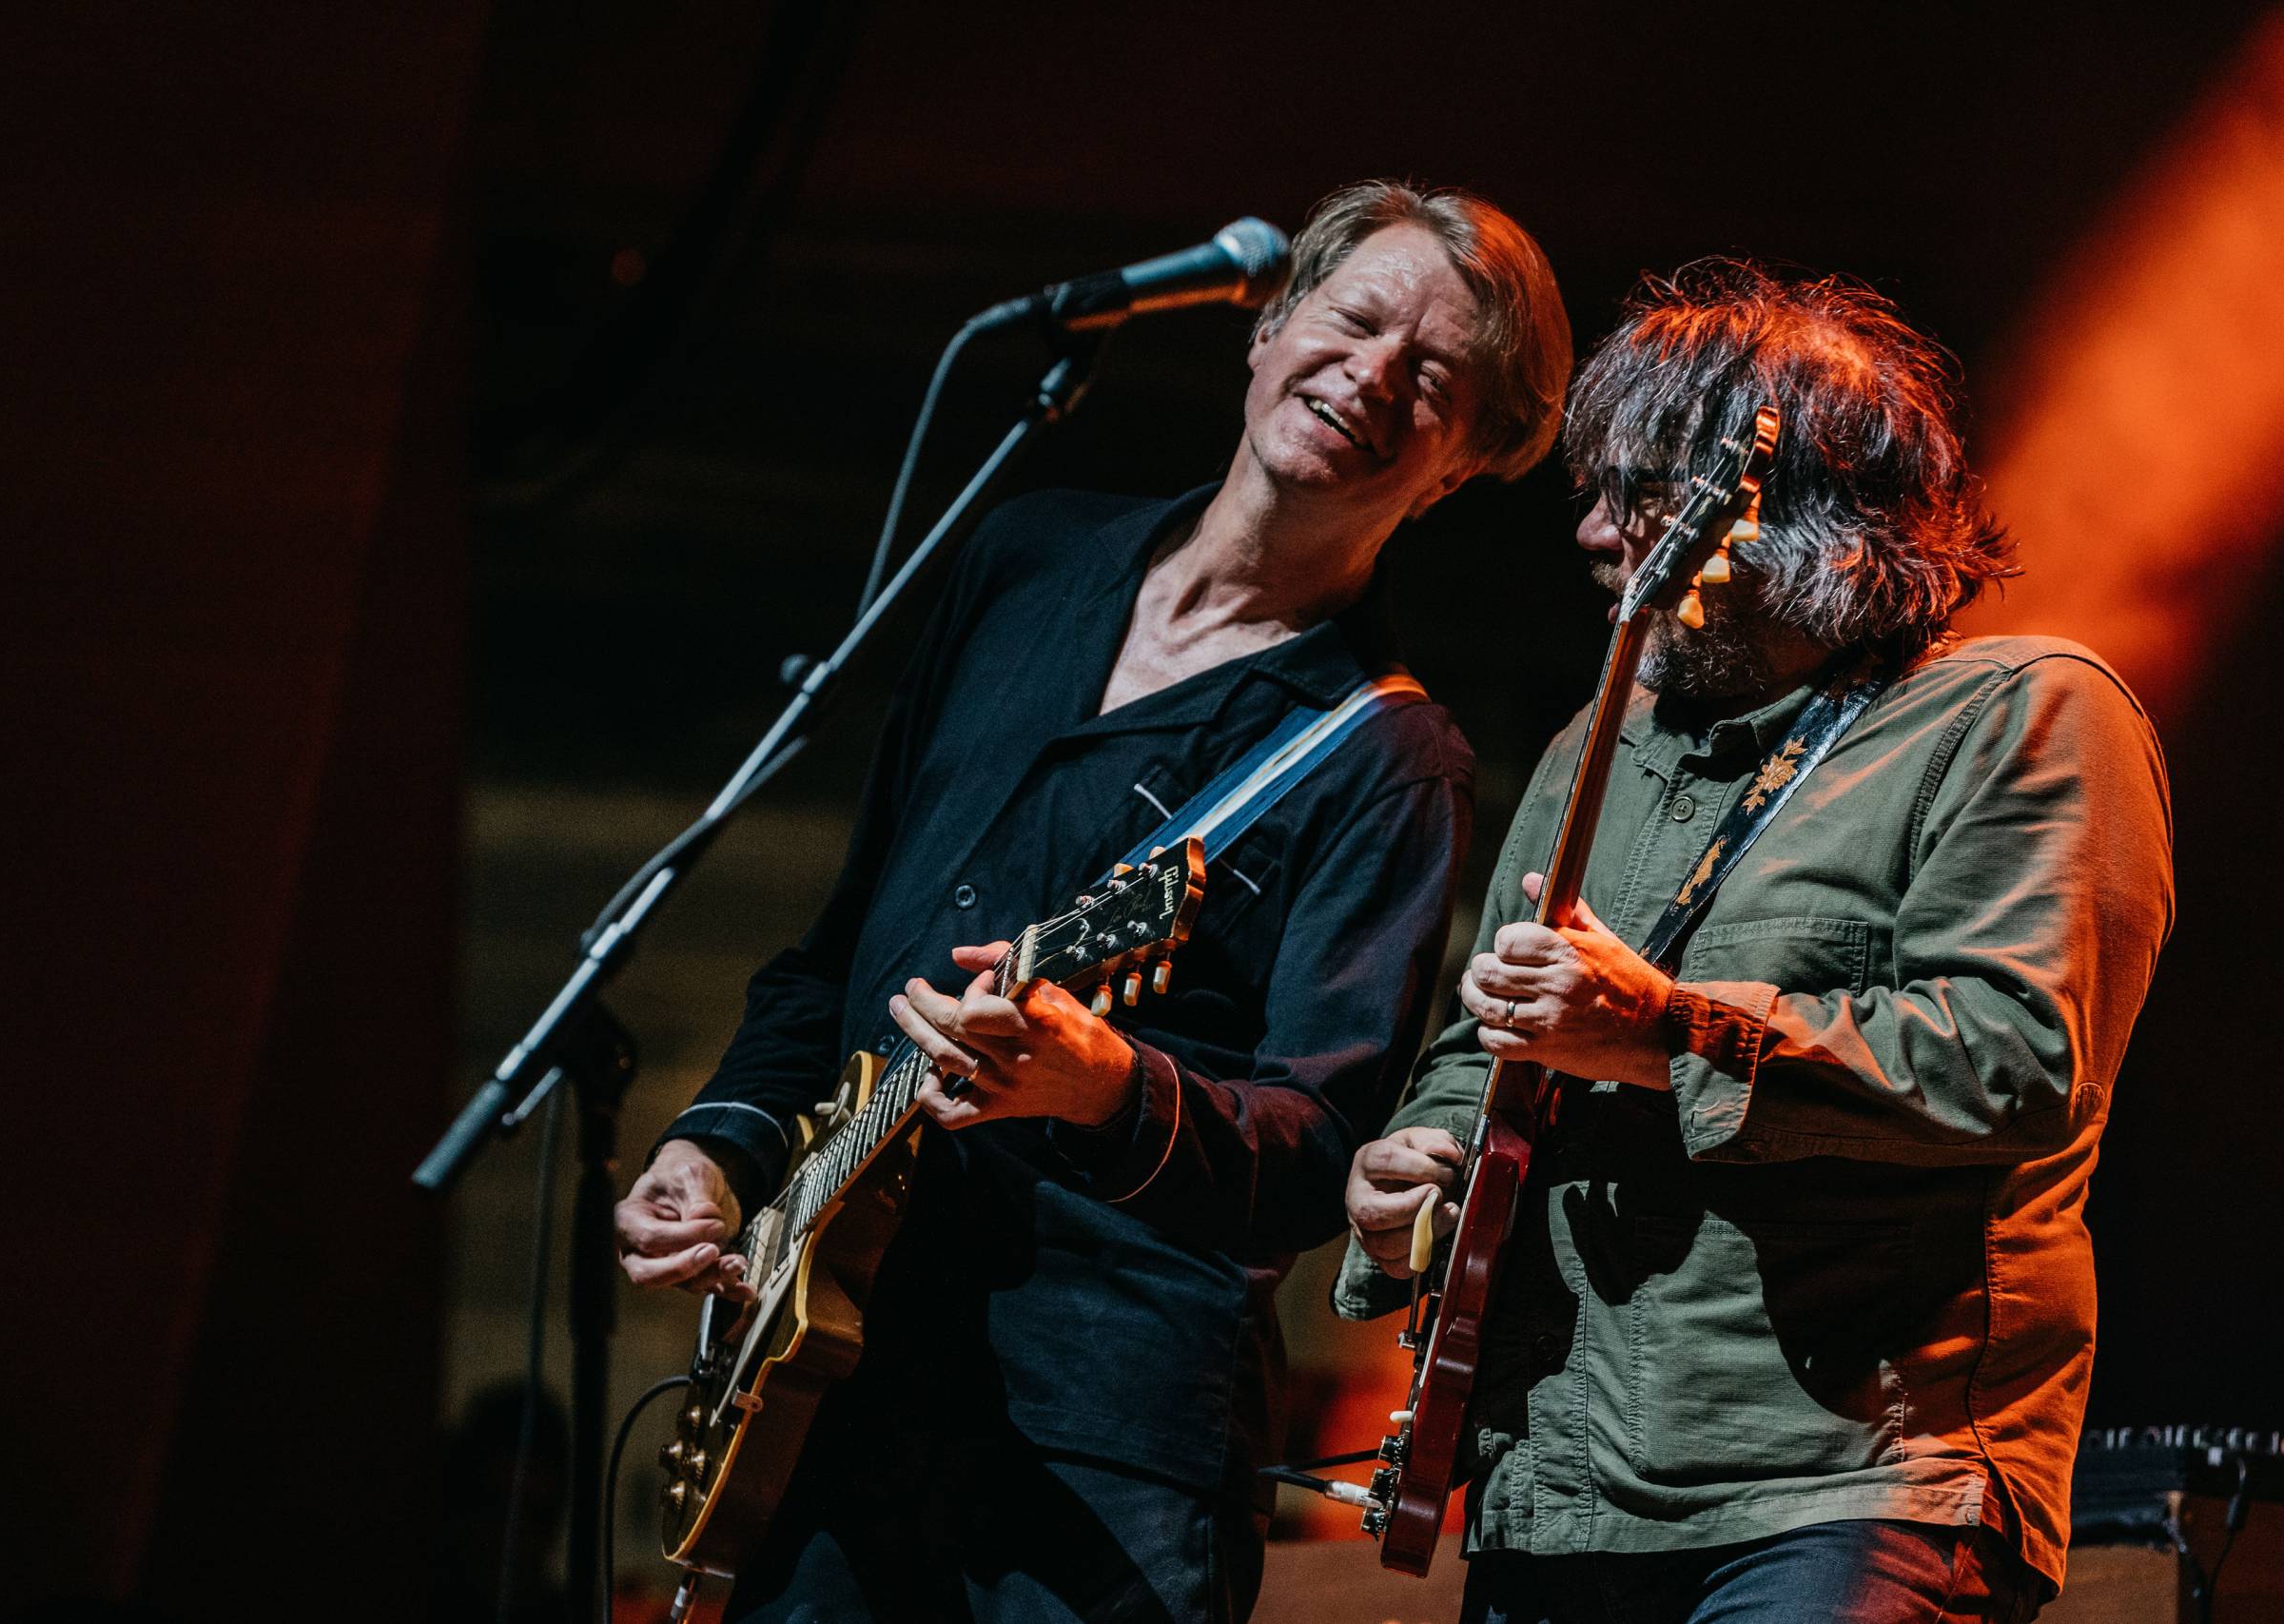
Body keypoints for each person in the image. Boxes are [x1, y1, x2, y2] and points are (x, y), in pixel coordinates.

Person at [613, 180, 1573, 1622]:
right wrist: (726, 1149)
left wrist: (1108, 1085)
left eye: (1433, 376)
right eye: (1356, 319)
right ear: (1268, 328)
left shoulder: (1390, 754)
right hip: (835, 1390)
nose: (1373, 375)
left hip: (1097, 1454)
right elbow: (837, 960)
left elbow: (1318, 1151)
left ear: (1457, 467)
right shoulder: (1024, 560)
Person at [1337, 260, 2174, 1624]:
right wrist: (1406, 1167)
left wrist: (1664, 1032)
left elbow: (2019, 1061)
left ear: (1790, 513)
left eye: (1637, 494)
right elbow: (1477, 1042)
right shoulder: (1590, 746)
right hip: (1555, 1478)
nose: (1597, 535)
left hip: (1846, 1484)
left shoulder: (2021, 715)